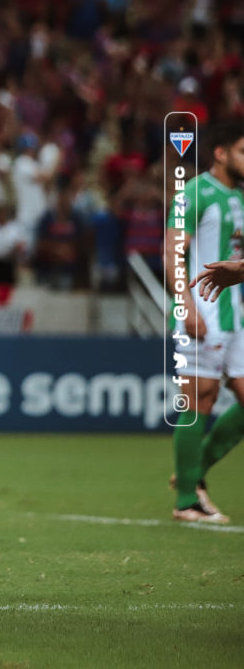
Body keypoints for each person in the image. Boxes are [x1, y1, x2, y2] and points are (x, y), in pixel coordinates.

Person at [166, 119, 244, 524]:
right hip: (203, 311)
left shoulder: (241, 197)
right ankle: (186, 501)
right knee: (201, 398)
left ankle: (193, 474)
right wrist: (186, 305)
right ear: (221, 153)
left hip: (237, 316)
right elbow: (170, 253)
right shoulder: (194, 191)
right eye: (242, 151)